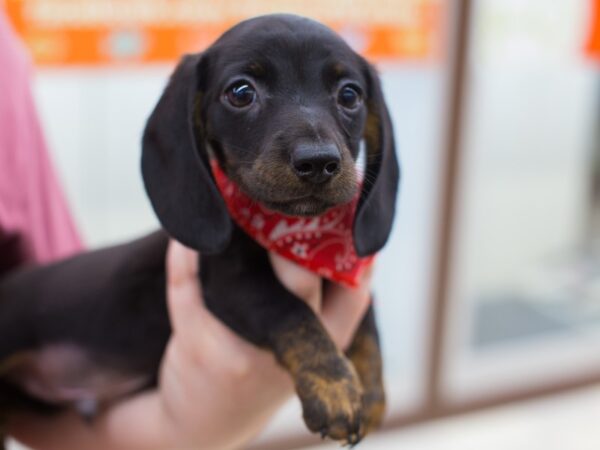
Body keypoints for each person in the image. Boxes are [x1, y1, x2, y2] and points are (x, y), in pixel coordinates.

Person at [0, 11, 372, 450]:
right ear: (196, 120)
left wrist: (188, 427)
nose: (316, 148)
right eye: (242, 92)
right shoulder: (219, 238)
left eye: (347, 96)